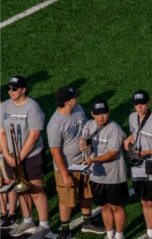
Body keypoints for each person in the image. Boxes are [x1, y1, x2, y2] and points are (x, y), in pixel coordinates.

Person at [47, 86, 105, 238]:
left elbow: (86, 128)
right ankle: (65, 229)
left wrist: (87, 141)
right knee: (66, 199)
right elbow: (55, 151)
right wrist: (65, 174)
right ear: (67, 103)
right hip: (66, 167)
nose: (77, 99)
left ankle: (87, 222)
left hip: (84, 161)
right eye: (74, 97)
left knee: (86, 192)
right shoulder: (55, 124)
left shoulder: (78, 109)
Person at [0, 75, 51, 238]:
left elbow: (35, 135)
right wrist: (7, 154)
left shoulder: (32, 106)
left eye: (14, 88)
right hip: (12, 156)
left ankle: (44, 225)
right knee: (20, 188)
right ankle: (27, 220)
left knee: (35, 190)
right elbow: (1, 132)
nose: (11, 91)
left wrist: (19, 157)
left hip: (31, 155)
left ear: (23, 89)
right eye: (9, 88)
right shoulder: (5, 106)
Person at [123, 90, 152, 239]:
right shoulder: (131, 118)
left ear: (149, 103)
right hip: (138, 168)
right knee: (145, 201)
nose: (140, 107)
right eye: (137, 104)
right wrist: (128, 139)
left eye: (142, 104)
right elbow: (136, 134)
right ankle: (150, 233)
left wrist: (149, 151)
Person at [81, 98, 128, 239]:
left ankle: (119, 236)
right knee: (104, 207)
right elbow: (85, 142)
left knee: (116, 207)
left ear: (109, 112)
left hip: (114, 177)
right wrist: (82, 145)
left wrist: (92, 160)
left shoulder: (115, 129)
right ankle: (109, 234)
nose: (101, 117)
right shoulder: (89, 125)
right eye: (97, 114)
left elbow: (112, 154)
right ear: (92, 114)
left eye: (104, 113)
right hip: (97, 176)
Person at [0, 92, 20, 230]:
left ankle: (12, 213)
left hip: (5, 151)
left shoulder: (5, 109)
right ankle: (3, 211)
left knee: (9, 181)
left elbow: (4, 132)